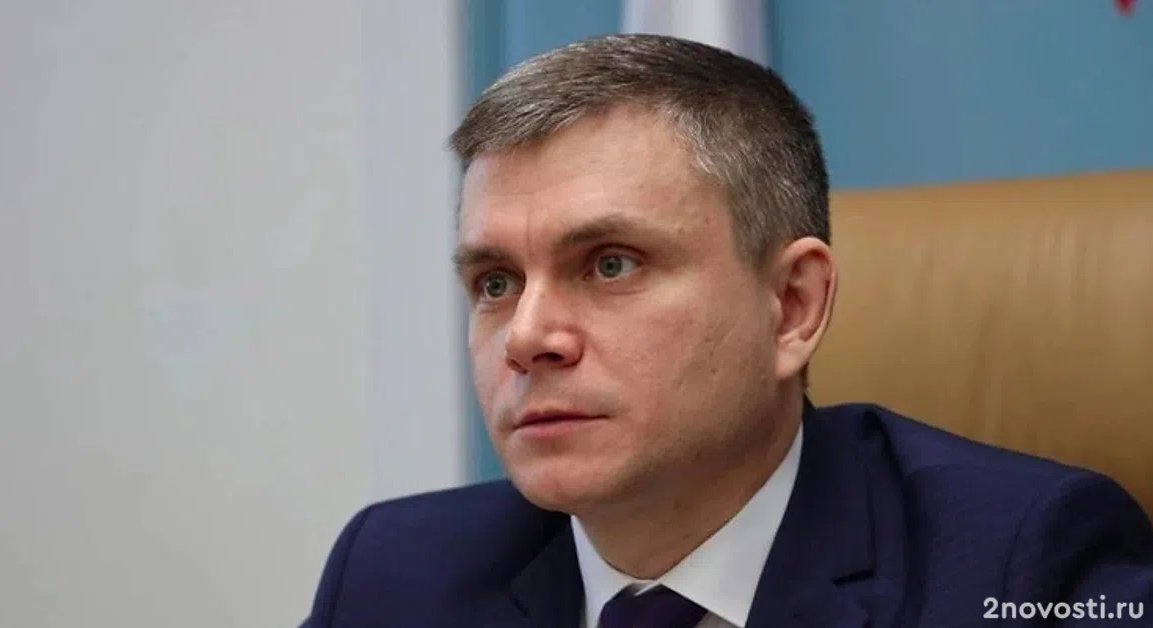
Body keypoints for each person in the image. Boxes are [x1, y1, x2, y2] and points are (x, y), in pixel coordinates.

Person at [302, 34, 1153, 627]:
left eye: (610, 264)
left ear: (792, 305)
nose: (526, 338)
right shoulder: (394, 575)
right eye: (495, 282)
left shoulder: (1028, 566)